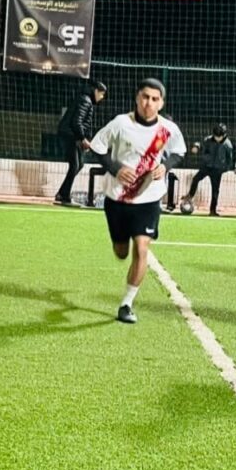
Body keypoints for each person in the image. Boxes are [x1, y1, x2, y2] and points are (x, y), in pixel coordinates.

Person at [89, 78, 186, 323]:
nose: (148, 103)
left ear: (161, 103)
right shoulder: (121, 123)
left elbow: (179, 151)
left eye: (154, 99)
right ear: (137, 98)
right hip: (117, 198)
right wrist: (115, 169)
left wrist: (165, 166)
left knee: (142, 248)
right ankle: (119, 243)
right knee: (121, 251)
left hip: (149, 198)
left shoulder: (168, 129)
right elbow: (97, 147)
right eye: (145, 97)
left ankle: (126, 304)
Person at [55, 80, 107, 206]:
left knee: (79, 164)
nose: (101, 97)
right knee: (75, 165)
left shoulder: (84, 99)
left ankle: (62, 193)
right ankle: (63, 195)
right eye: (101, 94)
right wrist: (83, 139)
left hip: (71, 134)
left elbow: (79, 122)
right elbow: (77, 122)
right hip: (70, 135)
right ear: (96, 91)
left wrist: (83, 138)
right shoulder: (85, 101)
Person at [183, 124, 232, 216]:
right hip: (206, 166)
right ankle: (190, 196)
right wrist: (196, 147)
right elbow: (200, 143)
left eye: (219, 137)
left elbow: (229, 159)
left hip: (217, 170)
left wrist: (224, 169)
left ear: (224, 135)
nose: (217, 138)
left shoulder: (227, 144)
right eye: (216, 136)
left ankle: (213, 210)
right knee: (195, 179)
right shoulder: (208, 139)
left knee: (215, 191)